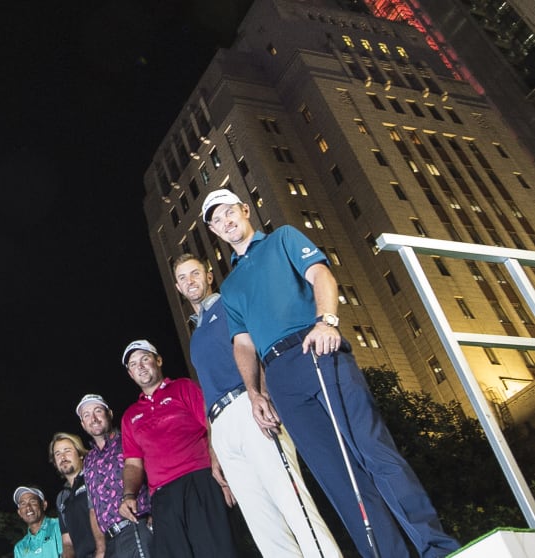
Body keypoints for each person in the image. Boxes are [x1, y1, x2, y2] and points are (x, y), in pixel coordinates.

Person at [203, 188, 460, 558]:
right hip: (279, 376)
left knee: (372, 451)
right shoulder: (229, 288)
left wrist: (326, 321)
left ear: (245, 210)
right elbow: (242, 344)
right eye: (217, 220)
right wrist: (256, 393)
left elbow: (320, 274)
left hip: (316, 348)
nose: (226, 222)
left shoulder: (284, 238)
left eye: (229, 212)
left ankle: (435, 547)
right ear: (213, 231)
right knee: (339, 480)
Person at [173, 253, 342, 557]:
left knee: (294, 505)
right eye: (183, 278)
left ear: (209, 275)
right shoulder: (195, 336)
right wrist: (213, 449)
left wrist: (262, 394)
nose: (190, 281)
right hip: (223, 426)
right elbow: (208, 391)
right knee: (263, 526)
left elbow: (257, 347)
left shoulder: (230, 305)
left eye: (195, 273)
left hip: (250, 408)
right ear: (178, 286)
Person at [118, 339, 238, 557]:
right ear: (130, 374)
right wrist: (128, 495)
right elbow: (133, 463)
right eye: (134, 364)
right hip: (162, 496)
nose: (141, 367)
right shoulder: (129, 417)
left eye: (145, 359)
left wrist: (224, 476)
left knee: (215, 551)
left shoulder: (183, 387)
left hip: (199, 480)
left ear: (158, 360)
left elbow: (212, 426)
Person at [76, 394, 153, 558]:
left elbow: (154, 473)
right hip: (113, 543)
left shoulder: (127, 440)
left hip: (137, 526)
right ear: (83, 424)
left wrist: (155, 514)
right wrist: (101, 549)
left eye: (98, 411)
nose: (94, 419)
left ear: (109, 414)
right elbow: (93, 507)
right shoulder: (89, 460)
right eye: (87, 415)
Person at [49, 432, 105, 558]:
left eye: (67, 451)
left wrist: (101, 552)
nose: (63, 457)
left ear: (80, 454)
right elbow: (67, 542)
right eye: (57, 454)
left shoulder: (94, 476)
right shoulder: (62, 498)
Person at [14, 486, 64, 558]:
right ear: (19, 513)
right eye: (23, 504)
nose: (28, 507)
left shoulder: (59, 525)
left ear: (44, 505)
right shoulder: (20, 547)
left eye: (33, 501)